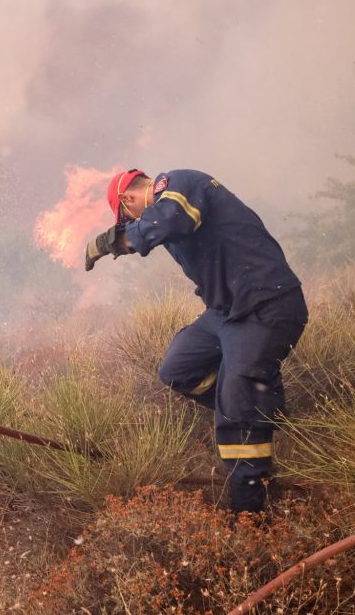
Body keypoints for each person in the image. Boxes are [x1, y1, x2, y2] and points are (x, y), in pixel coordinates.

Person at [85, 168, 307, 513]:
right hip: (226, 312)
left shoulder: (179, 184)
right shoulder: (164, 210)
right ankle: (258, 406)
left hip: (266, 306)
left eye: (128, 218)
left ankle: (252, 518)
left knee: (235, 416)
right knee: (179, 368)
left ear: (128, 200)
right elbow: (160, 227)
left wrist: (111, 241)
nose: (132, 224)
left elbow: (169, 221)